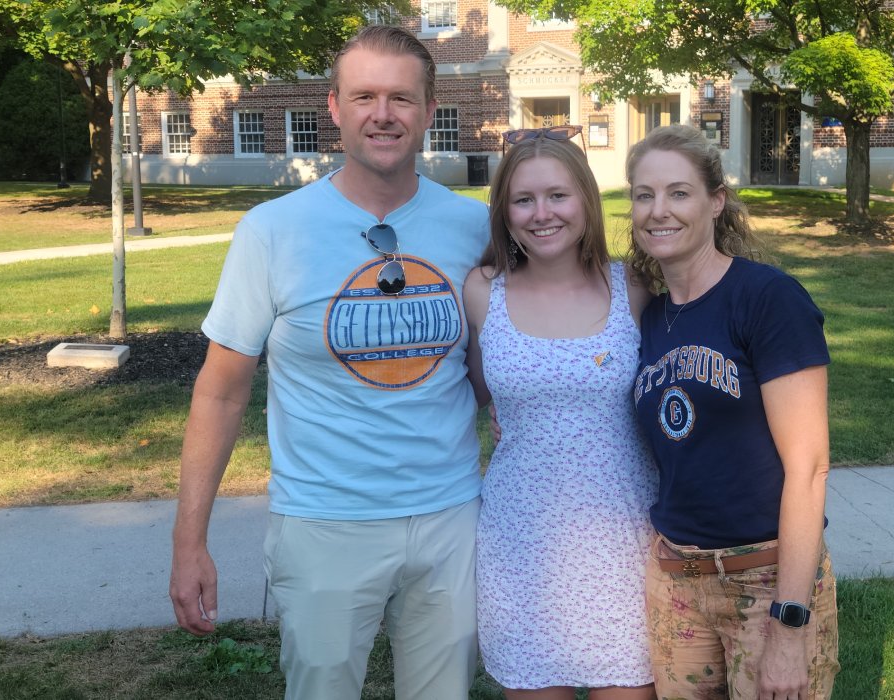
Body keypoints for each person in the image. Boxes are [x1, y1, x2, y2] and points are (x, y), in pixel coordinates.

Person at [168, 26, 489, 700]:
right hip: (324, 522)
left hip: (450, 516)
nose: (383, 114)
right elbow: (221, 394)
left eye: (402, 98)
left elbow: (503, 369)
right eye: (364, 95)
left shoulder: (474, 229)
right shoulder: (273, 231)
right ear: (335, 109)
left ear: (430, 111)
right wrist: (188, 541)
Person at [626, 124, 840, 700]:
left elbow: (810, 466)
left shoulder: (767, 300)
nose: (657, 211)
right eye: (643, 195)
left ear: (716, 201)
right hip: (678, 579)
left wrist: (790, 623)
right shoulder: (649, 318)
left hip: (767, 578)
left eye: (678, 192)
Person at [463, 126, 658, 700]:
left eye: (558, 196)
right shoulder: (482, 290)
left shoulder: (635, 286)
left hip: (623, 535)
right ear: (504, 211)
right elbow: (476, 389)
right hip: (521, 539)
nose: (540, 213)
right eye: (523, 199)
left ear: (586, 202)